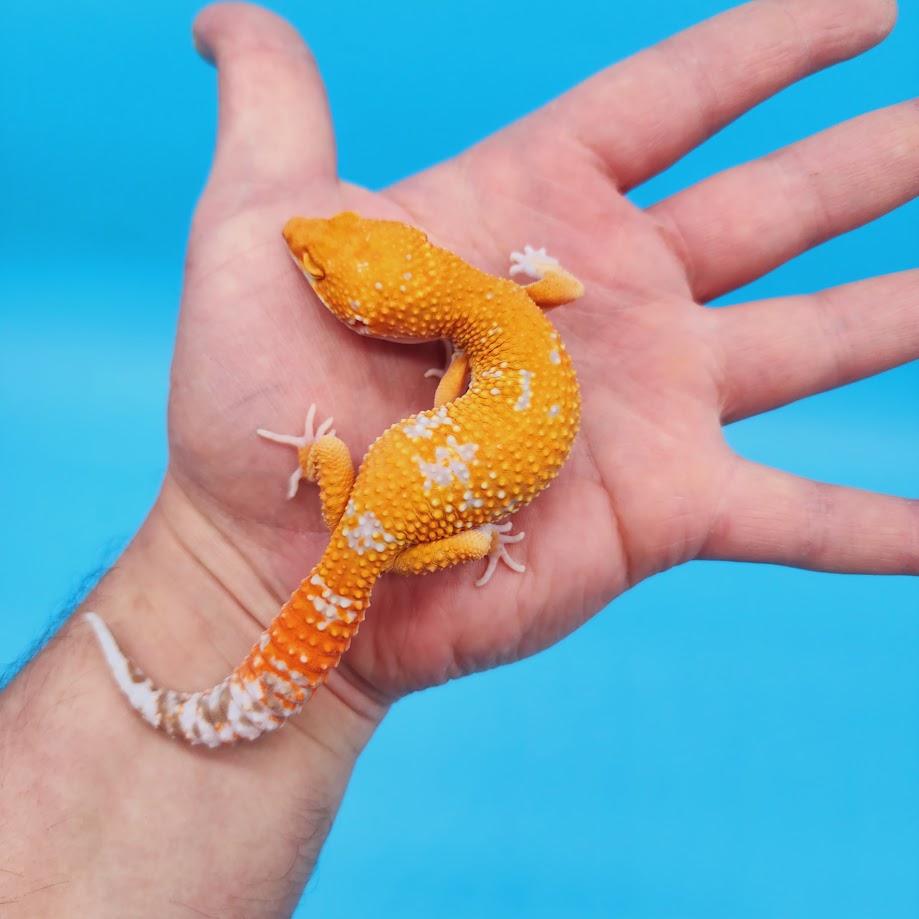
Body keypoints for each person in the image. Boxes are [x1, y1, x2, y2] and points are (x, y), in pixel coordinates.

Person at [1, 0, 915, 914]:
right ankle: (237, 657)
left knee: (410, 522)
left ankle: (219, 683)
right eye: (322, 260)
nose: (303, 250)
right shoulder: (502, 308)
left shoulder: (468, 351)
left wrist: (423, 487)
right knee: (419, 522)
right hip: (403, 507)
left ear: (379, 315)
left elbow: (453, 401)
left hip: (395, 509)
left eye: (320, 272)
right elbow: (549, 295)